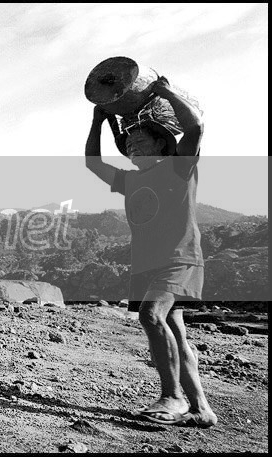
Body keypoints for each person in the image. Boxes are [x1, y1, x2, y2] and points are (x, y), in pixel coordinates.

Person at [84, 76, 218, 428]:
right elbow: (92, 163)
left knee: (151, 316)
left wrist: (164, 92)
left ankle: (173, 396)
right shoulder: (130, 180)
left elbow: (195, 127)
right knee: (175, 333)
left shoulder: (179, 167)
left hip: (179, 260)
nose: (131, 144)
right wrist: (99, 122)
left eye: (139, 139)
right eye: (128, 142)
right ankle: (201, 408)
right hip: (146, 265)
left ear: (161, 144)